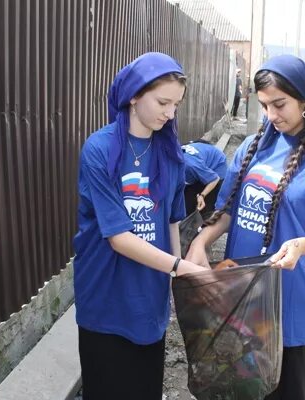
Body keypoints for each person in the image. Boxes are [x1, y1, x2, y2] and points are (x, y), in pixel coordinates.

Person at [186, 54, 305, 400]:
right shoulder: (252, 147)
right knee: (237, 389)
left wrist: (300, 246)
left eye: (280, 104)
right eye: (264, 106)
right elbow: (227, 208)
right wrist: (200, 243)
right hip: (241, 298)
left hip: (291, 304)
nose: (272, 115)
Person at [73, 52, 207, 400]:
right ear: (134, 94)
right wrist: (180, 267)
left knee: (145, 390)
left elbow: (173, 221)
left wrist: (178, 282)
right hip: (105, 294)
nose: (170, 113)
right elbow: (119, 238)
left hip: (149, 298)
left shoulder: (170, 153)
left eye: (176, 104)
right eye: (163, 102)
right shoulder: (99, 150)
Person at [181, 139, 228, 218]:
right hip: (200, 158)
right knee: (187, 201)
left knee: (206, 206)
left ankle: (204, 224)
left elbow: (214, 179)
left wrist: (202, 195)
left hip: (216, 166)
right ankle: (188, 222)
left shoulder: (191, 165)